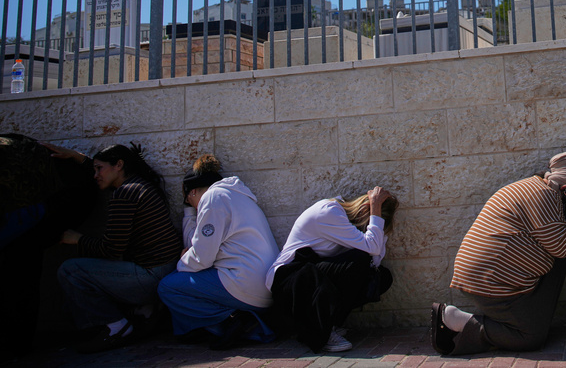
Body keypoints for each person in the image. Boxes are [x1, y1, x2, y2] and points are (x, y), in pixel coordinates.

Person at [430, 151, 566, 356]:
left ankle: (525, 324)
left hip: (484, 277)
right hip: (489, 282)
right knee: (531, 337)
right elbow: (562, 247)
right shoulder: (546, 195)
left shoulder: (530, 186)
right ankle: (456, 320)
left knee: (558, 267)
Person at [55, 143, 182, 353]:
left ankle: (115, 326)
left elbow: (111, 250)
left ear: (119, 165)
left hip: (151, 277)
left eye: (99, 169)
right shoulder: (140, 185)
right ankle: (145, 312)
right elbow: (104, 170)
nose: (95, 175)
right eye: (93, 169)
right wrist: (76, 157)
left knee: (70, 270)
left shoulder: (125, 194)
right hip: (166, 271)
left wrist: (77, 239)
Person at [157, 155, 279, 349]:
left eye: (189, 200)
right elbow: (198, 239)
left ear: (194, 191)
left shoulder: (213, 199)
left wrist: (182, 261)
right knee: (184, 276)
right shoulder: (235, 195)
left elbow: (201, 258)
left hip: (243, 284)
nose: (192, 206)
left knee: (168, 286)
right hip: (265, 287)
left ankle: (233, 322)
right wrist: (191, 212)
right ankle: (242, 322)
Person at [267, 186, 398, 353]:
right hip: (288, 280)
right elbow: (371, 248)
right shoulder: (329, 212)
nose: (369, 227)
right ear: (366, 209)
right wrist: (375, 207)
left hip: (310, 277)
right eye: (371, 219)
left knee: (381, 277)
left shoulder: (346, 227)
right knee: (359, 260)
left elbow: (375, 260)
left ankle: (330, 324)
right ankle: (320, 332)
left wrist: (378, 226)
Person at [0, 134, 98, 358]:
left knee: (19, 267)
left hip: (56, 201)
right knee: (18, 266)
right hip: (47, 197)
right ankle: (16, 342)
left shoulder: (33, 183)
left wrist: (79, 159)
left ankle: (16, 344)